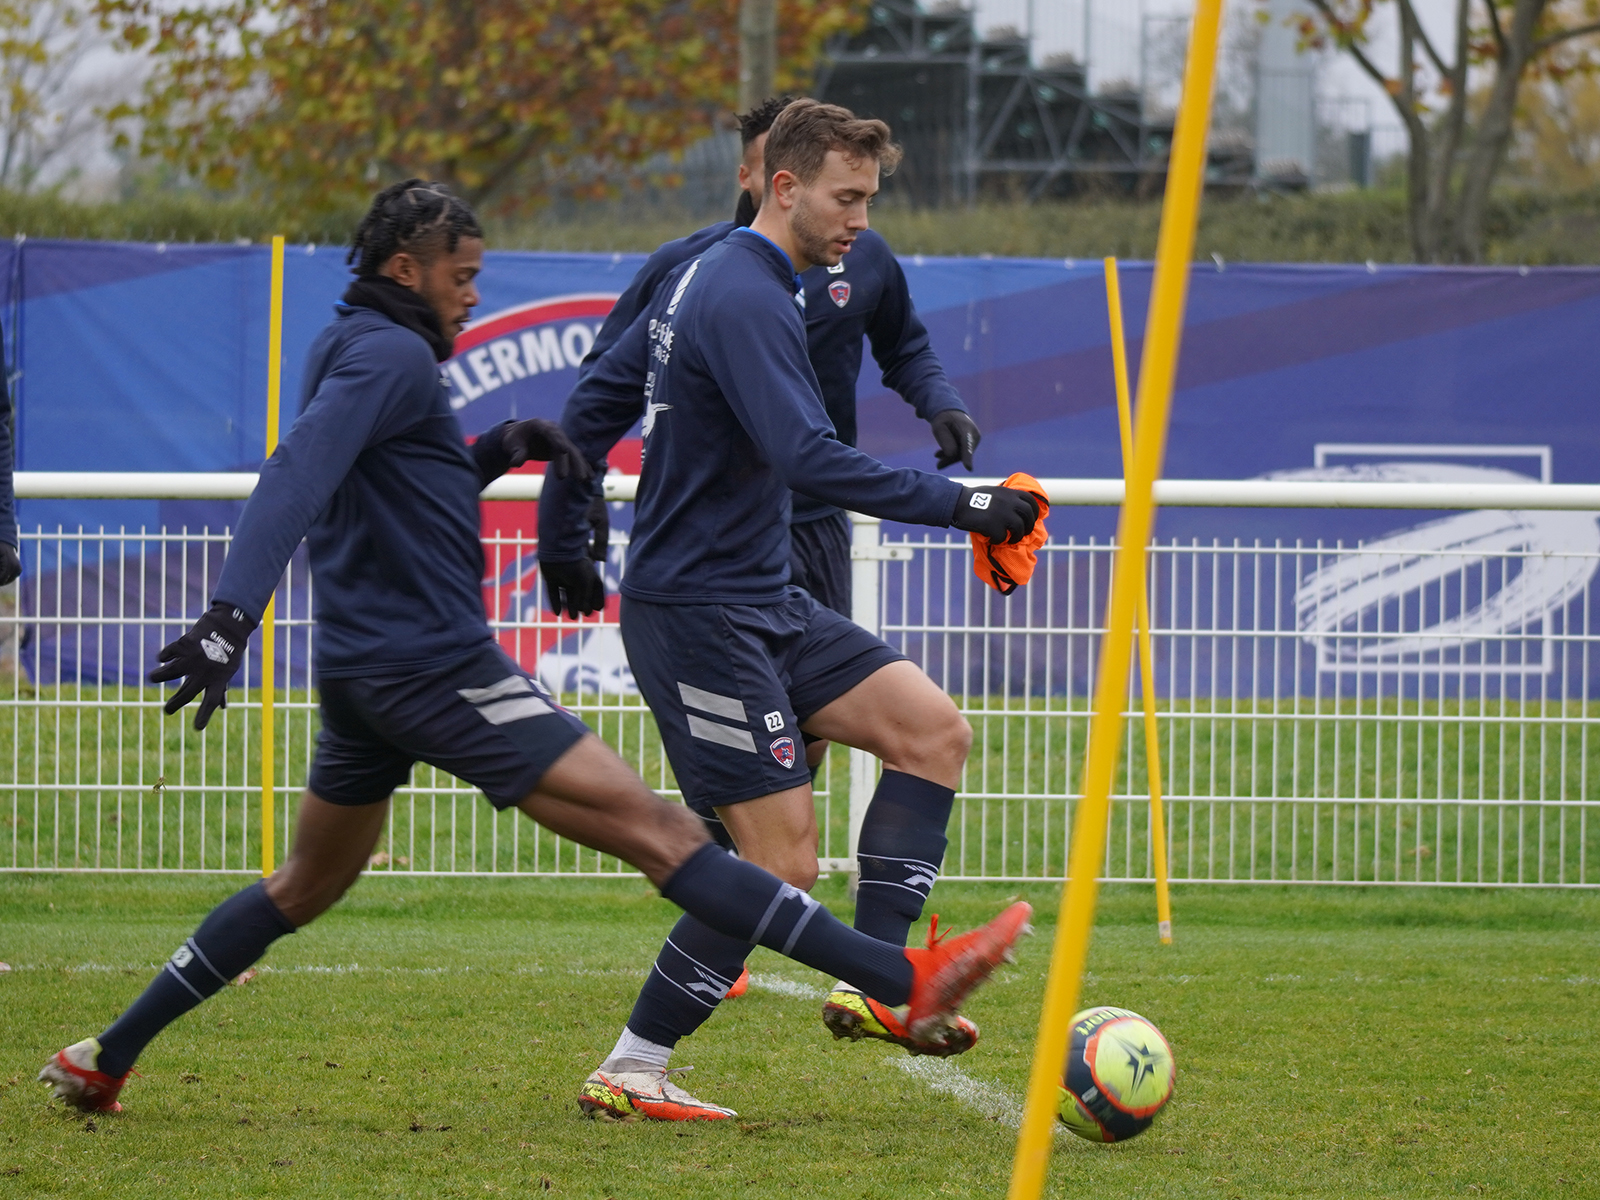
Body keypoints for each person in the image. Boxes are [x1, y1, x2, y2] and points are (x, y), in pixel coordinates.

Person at [36, 179, 1031, 1121]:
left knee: (302, 885)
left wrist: (497, 449)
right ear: (403, 270)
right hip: (438, 670)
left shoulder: (351, 344)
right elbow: (296, 472)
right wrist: (229, 616)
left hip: (362, 675)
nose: (471, 296)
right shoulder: (390, 358)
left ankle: (104, 1056)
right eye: (460, 276)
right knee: (668, 836)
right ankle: (899, 980)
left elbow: (386, 493)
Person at [539, 100, 1041, 1122]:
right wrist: (966, 505)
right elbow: (807, 456)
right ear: (783, 185)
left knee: (931, 732)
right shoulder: (741, 291)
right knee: (779, 861)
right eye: (846, 198)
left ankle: (880, 985)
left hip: (763, 593)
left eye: (869, 198)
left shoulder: (750, 277)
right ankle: (635, 1064)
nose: (861, 219)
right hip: (700, 613)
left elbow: (838, 407)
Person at [567, 93, 980, 669]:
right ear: (759, 178)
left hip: (818, 514)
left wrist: (942, 403)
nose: (857, 217)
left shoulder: (861, 255)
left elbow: (905, 346)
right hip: (717, 537)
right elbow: (602, 390)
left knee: (836, 707)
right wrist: (576, 498)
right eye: (771, 170)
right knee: (745, 706)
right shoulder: (693, 269)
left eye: (861, 199)